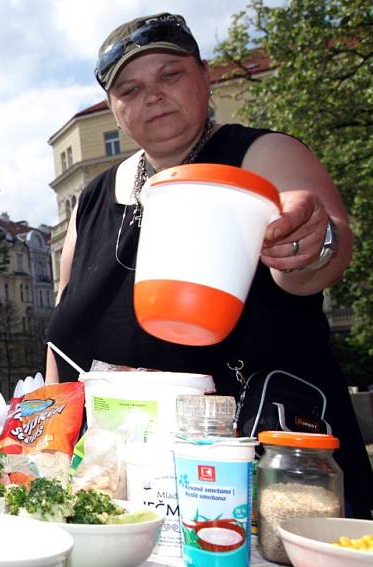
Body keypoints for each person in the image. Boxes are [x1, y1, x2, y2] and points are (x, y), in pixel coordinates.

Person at [46, 14, 373, 518]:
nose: (151, 95)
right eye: (129, 88)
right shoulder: (92, 200)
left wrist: (312, 239)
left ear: (205, 76)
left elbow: (319, 253)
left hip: (267, 474)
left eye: (169, 75)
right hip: (122, 480)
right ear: (114, 108)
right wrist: (46, 440)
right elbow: (61, 337)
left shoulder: (261, 154)